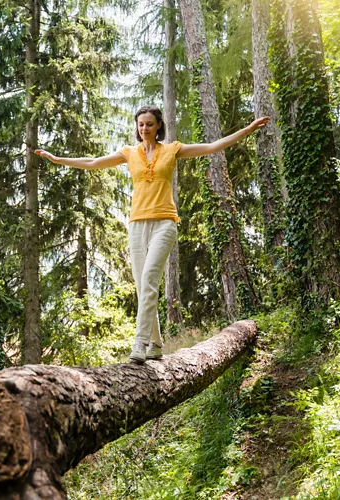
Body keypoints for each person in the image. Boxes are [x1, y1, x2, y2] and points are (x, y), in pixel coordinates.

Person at [35, 105, 269, 364]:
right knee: (142, 286)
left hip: (164, 223)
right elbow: (93, 163)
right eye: (140, 124)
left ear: (159, 126)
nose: (144, 128)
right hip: (136, 225)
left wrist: (246, 130)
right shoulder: (129, 153)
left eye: (149, 123)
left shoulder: (172, 150)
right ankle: (156, 344)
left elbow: (213, 146)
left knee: (148, 280)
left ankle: (140, 343)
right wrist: (58, 159)